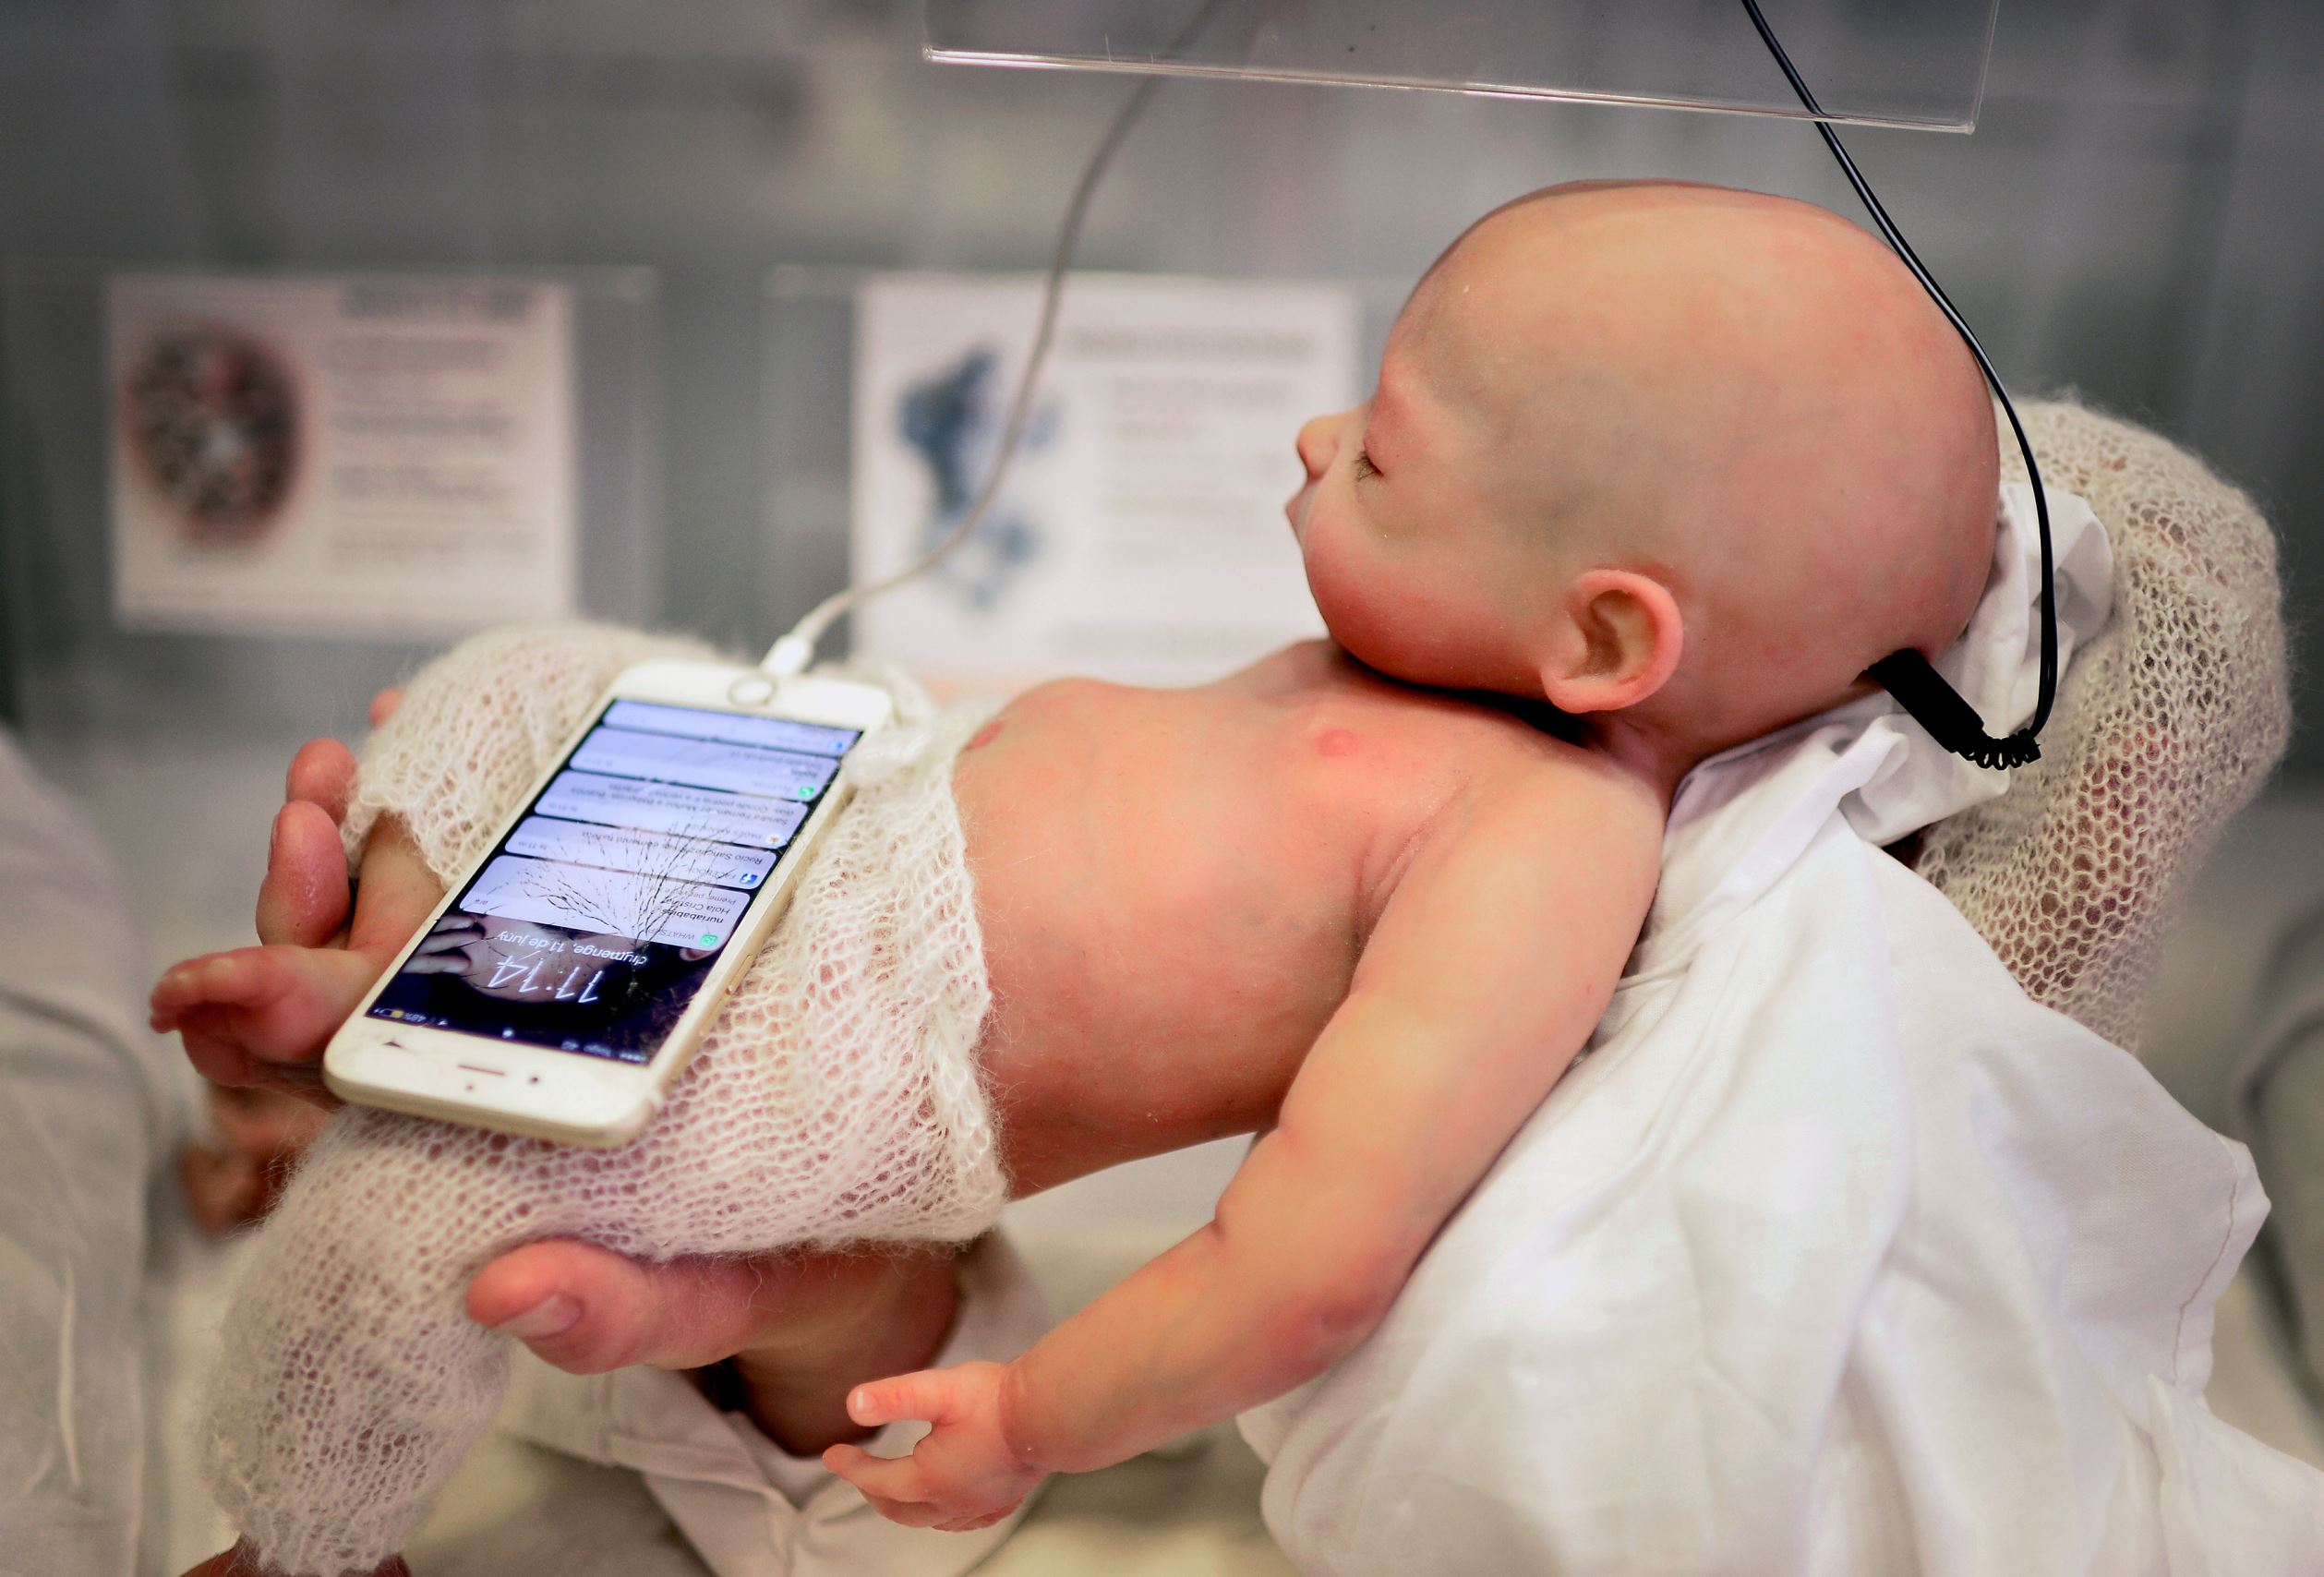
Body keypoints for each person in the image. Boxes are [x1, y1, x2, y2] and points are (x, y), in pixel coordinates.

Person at [152, 179, 2002, 1577]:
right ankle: (393, 988)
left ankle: (308, 1536)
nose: (1316, 439)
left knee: (413, 1221)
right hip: (863, 809)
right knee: (520, 675)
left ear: (1600, 635)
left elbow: (1312, 1254)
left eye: (1383, 449)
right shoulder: (1430, 663)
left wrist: (1039, 1415)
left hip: (874, 1048)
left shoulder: (1535, 844)